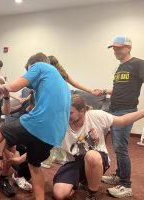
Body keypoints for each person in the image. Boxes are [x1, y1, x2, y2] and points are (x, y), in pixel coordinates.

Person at [0, 52, 71, 200]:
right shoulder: (59, 80)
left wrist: (4, 86)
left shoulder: (39, 66)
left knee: (4, 129)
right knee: (35, 165)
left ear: (32, 66)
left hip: (40, 123)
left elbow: (13, 87)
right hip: (56, 132)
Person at [53, 94, 144, 200]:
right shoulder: (61, 122)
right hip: (74, 161)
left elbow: (123, 120)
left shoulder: (96, 116)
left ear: (82, 111)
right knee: (59, 195)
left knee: (91, 156)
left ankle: (91, 194)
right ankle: (82, 181)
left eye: (70, 113)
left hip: (97, 159)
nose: (66, 115)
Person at [100, 36, 144, 198]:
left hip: (127, 111)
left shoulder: (138, 64)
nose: (116, 51)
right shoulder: (120, 67)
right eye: (114, 48)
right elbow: (120, 89)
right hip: (113, 109)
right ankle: (118, 176)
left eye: (119, 48)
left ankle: (126, 185)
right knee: (117, 146)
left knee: (121, 148)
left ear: (128, 48)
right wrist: (105, 91)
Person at [41, 55, 102, 168]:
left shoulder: (57, 75)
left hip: (59, 105)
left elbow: (75, 83)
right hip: (59, 105)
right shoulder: (55, 75)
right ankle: (58, 157)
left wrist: (90, 90)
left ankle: (49, 159)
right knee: (60, 131)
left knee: (56, 132)